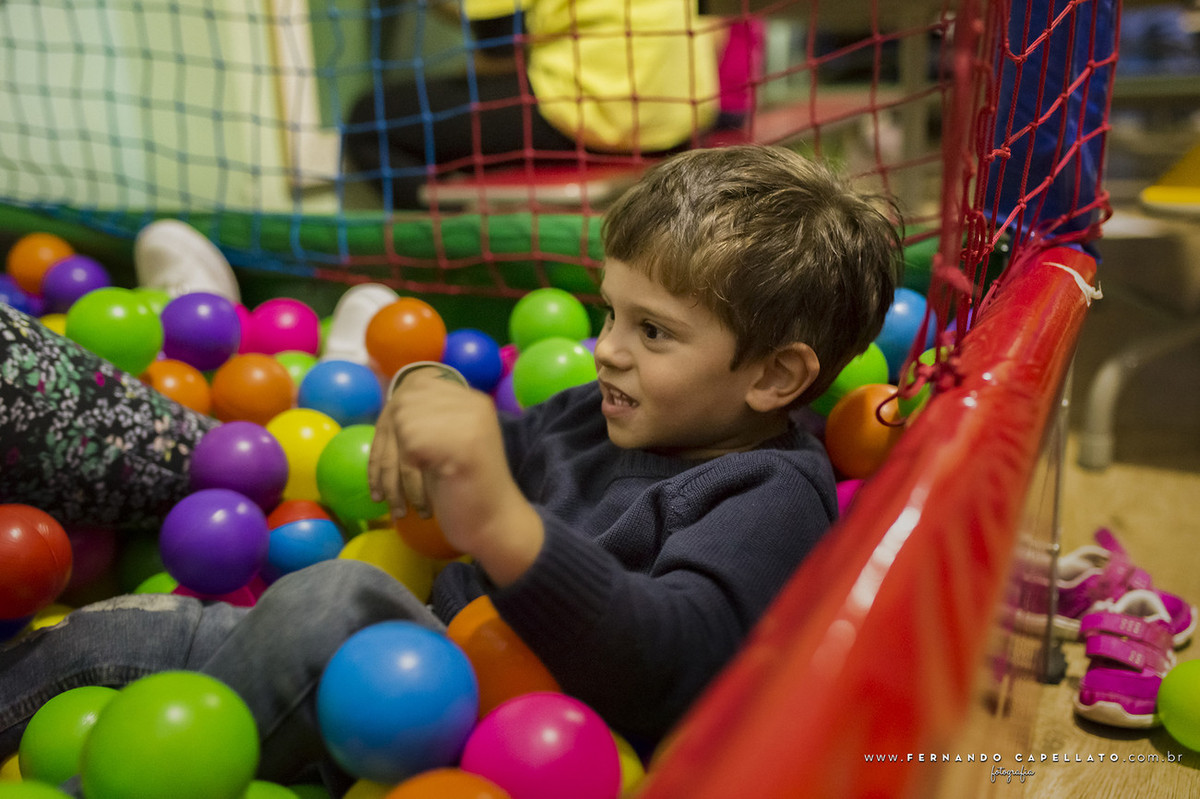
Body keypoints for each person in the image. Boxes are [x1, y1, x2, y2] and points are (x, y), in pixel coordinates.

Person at [0, 145, 902, 790]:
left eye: (653, 331)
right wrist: (425, 390)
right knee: (126, 635)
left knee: (327, 603)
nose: (605, 351)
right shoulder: (602, 414)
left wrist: (508, 530)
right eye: (607, 312)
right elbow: (488, 445)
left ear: (776, 374)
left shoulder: (769, 495)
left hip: (509, 743)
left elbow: (677, 660)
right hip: (404, 674)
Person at [343, 0, 722, 208]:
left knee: (368, 117)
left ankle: (452, 235)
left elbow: (497, 50)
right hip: (678, 117)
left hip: (588, 114)